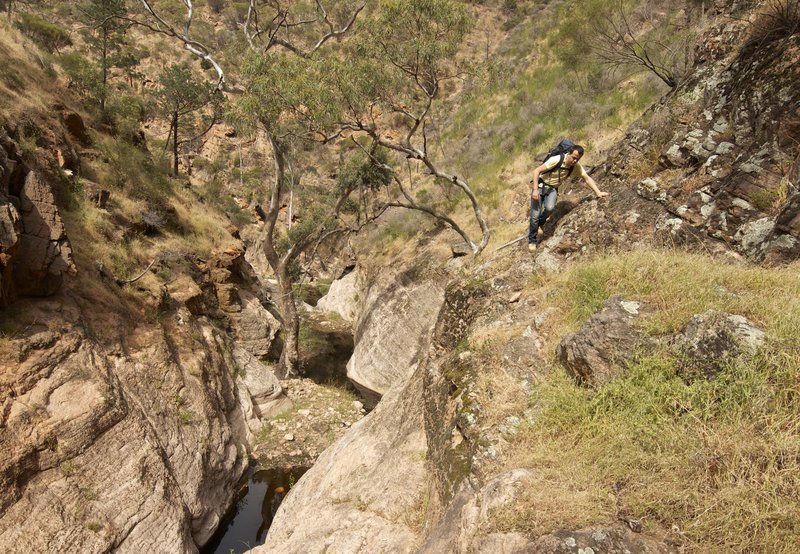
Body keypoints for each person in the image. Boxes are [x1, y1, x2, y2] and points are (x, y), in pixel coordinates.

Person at [528, 144, 608, 252]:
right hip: (540, 186)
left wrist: (598, 192)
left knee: (550, 208)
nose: (575, 161)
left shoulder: (575, 167)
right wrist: (535, 190)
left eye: (577, 159)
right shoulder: (556, 160)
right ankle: (532, 240)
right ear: (568, 154)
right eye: (573, 158)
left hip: (552, 189)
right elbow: (536, 171)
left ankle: (540, 223)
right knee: (534, 215)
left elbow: (587, 178)